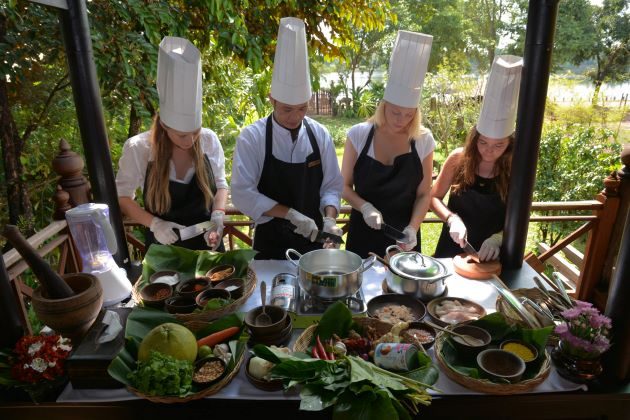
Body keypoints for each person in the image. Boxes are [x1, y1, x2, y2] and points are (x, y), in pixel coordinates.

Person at [231, 17, 344, 260]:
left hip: (315, 243)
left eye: (302, 108)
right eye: (287, 109)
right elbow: (242, 193)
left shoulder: (319, 135)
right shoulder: (252, 138)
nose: (295, 117)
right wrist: (290, 214)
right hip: (270, 243)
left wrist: (329, 219)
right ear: (272, 99)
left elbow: (332, 186)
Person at [116, 36, 228, 251]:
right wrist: (155, 224)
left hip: (209, 241)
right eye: (181, 135)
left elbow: (221, 185)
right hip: (163, 247)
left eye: (194, 133)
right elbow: (123, 197)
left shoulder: (208, 139)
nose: (191, 141)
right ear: (165, 127)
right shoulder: (138, 149)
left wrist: (217, 217)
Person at [341, 31, 435, 258]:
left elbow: (424, 194)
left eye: (408, 115)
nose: (401, 120)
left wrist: (413, 227)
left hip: (404, 239)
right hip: (362, 233)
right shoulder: (359, 135)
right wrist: (364, 207)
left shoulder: (423, 140)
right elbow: (342, 186)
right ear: (384, 105)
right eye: (395, 112)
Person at [431, 55, 523, 261]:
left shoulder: (515, 170)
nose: (489, 151)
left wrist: (499, 238)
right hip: (452, 245)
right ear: (474, 139)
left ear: (509, 145)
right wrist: (452, 219)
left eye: (498, 145)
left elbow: (520, 217)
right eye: (483, 142)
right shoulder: (458, 159)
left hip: (492, 253)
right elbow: (433, 197)